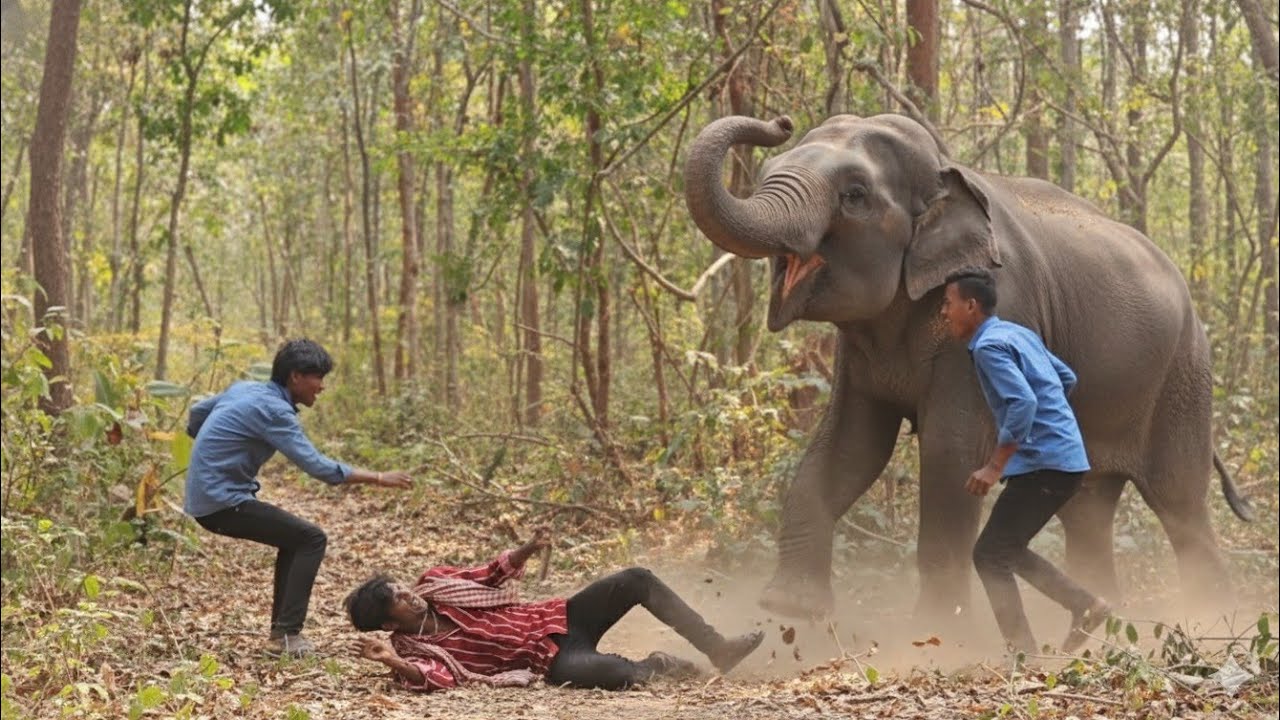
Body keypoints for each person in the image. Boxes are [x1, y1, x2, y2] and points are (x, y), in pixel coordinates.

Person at [185, 339, 414, 657]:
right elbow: (318, 467)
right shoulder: (273, 411)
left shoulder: (246, 389)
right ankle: (287, 637)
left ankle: (282, 633)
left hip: (208, 495)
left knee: (297, 539)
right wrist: (378, 478)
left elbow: (197, 414)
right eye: (317, 377)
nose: (321, 387)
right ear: (295, 377)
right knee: (311, 538)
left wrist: (212, 450)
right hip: (220, 501)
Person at [344, 528, 764, 692]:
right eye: (398, 599)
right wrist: (394, 662)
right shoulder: (411, 648)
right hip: (550, 658)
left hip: (558, 617)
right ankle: (657, 663)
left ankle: (718, 647)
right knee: (616, 675)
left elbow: (489, 574)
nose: (410, 595)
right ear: (387, 622)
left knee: (636, 578)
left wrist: (526, 548)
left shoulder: (436, 583)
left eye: (402, 588)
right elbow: (439, 679)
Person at [939, 267, 1111, 654]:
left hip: (1046, 464)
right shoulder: (1018, 334)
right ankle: (1084, 607)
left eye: (948, 304)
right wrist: (1052, 428)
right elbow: (1065, 377)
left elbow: (1023, 401)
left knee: (989, 555)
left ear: (971, 305)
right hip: (1061, 459)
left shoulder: (987, 347)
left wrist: (995, 465)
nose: (944, 313)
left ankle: (1026, 653)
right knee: (1004, 549)